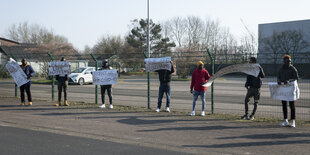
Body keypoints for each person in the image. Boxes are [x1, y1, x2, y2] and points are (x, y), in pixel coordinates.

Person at [278, 54, 299, 128]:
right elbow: (278, 77)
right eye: (287, 61)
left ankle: (293, 120)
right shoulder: (281, 69)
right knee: (284, 105)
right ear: (284, 61)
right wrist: (279, 81)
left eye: (290, 61)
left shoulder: (293, 69)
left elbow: (296, 78)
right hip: (283, 89)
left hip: (291, 89)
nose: (289, 62)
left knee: (292, 105)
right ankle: (285, 120)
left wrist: (289, 81)